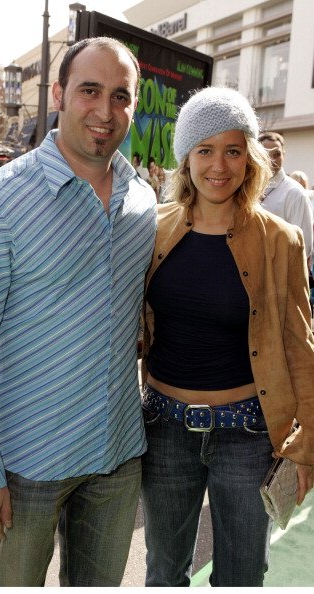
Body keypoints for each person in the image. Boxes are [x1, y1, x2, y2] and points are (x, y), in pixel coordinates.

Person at [0, 37, 157, 587]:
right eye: (89, 90)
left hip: (117, 451)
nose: (105, 111)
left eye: (120, 96)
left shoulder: (143, 202)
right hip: (24, 462)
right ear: (58, 94)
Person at [140, 86, 314, 587]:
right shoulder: (153, 230)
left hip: (249, 435)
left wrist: (304, 445)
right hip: (165, 429)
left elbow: (301, 347)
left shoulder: (281, 239)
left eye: (233, 150)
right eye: (205, 150)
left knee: (241, 574)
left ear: (250, 158)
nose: (220, 165)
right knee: (164, 571)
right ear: (186, 158)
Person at [258, 132, 313, 265]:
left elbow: (303, 246)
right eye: (266, 154)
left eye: (277, 154)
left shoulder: (295, 193)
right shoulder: (246, 187)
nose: (272, 160)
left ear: (283, 154)